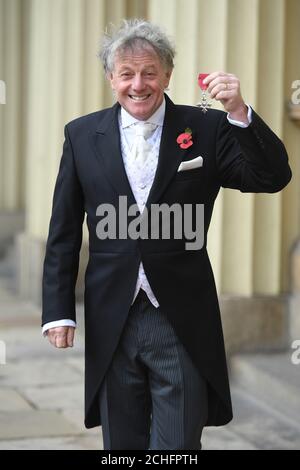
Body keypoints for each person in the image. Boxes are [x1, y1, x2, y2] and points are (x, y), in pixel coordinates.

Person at [42, 19, 292, 450]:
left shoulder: (207, 128)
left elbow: (271, 177)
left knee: (177, 447)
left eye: (149, 73)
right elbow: (63, 230)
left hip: (182, 319)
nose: (138, 85)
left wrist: (238, 113)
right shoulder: (81, 135)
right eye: (126, 73)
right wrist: (58, 310)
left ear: (168, 75)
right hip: (110, 319)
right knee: (122, 447)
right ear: (110, 78)